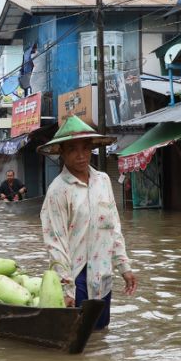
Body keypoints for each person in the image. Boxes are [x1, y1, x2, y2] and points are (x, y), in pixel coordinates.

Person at [37, 116, 138, 330]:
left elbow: (113, 229)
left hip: (102, 273)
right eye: (72, 149)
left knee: (100, 336)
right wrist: (65, 288)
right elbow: (55, 242)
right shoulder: (58, 191)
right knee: (78, 338)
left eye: (85, 148)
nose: (81, 155)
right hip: (76, 278)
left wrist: (124, 266)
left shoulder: (103, 180)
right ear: (61, 152)